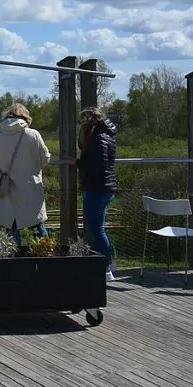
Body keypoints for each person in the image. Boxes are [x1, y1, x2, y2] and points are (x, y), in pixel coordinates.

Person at [0, 102, 51, 245]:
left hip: (5, 188)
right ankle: (45, 259)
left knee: (10, 227)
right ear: (26, 118)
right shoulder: (33, 135)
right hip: (30, 188)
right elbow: (45, 159)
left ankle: (13, 261)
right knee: (37, 226)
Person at [71, 107, 118, 281]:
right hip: (104, 187)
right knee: (100, 229)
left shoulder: (98, 139)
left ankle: (106, 270)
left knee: (96, 229)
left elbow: (98, 166)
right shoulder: (106, 136)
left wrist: (78, 163)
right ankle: (110, 263)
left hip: (97, 188)